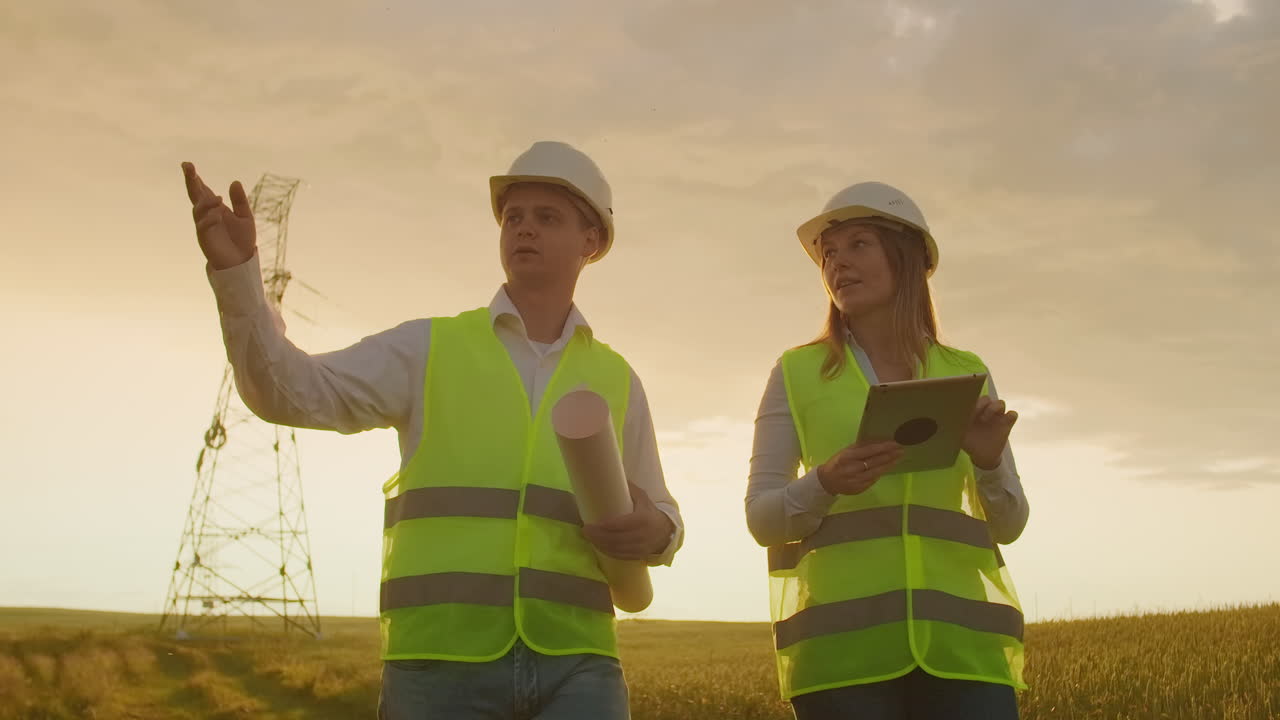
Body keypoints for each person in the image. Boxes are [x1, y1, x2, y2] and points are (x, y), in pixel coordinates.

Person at [181, 141, 683, 720]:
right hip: (438, 666)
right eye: (513, 217)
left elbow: (664, 514)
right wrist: (238, 276)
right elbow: (285, 391)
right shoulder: (428, 349)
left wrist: (657, 532)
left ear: (590, 241)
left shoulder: (618, 378)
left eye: (547, 217)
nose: (523, 228)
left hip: (578, 665)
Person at [744, 181, 1029, 719]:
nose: (838, 263)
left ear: (909, 257)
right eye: (829, 253)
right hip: (843, 662)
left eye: (859, 244)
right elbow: (762, 519)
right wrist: (825, 483)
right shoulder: (796, 373)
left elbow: (1010, 525)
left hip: (966, 655)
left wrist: (989, 462)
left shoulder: (966, 371)